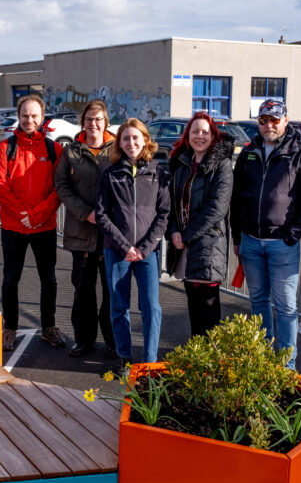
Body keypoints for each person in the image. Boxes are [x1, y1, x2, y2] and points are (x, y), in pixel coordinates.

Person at [230, 98, 301, 369]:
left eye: (274, 119)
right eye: (263, 120)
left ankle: (286, 365)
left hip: (282, 244)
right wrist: (238, 237)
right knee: (258, 301)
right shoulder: (248, 152)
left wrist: (292, 234)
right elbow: (237, 199)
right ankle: (263, 356)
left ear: (285, 119)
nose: (269, 125)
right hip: (251, 242)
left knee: (285, 307)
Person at [0, 95, 65, 351]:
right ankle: (9, 328)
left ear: (42, 118)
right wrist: (23, 214)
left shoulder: (55, 150)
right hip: (13, 227)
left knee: (48, 279)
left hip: (44, 226)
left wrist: (38, 214)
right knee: (11, 278)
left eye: (34, 116)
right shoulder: (4, 149)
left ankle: (49, 327)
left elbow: (59, 188)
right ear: (18, 117)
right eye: (25, 115)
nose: (29, 120)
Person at [95, 118, 170, 363]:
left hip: (148, 253)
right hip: (117, 252)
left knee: (151, 308)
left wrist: (145, 248)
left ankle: (149, 362)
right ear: (119, 143)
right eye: (125, 138)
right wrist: (125, 247)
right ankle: (124, 357)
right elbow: (102, 215)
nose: (131, 142)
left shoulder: (158, 173)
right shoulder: (110, 173)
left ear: (145, 140)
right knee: (118, 308)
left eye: (135, 137)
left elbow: (164, 213)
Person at [53, 100, 117, 358]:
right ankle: (84, 340)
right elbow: (61, 185)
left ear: (106, 122)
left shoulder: (116, 150)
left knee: (112, 291)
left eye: (98, 119)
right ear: (83, 122)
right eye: (89, 119)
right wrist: (84, 212)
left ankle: (113, 341)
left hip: (112, 235)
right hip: (81, 232)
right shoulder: (71, 152)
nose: (94, 123)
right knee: (83, 291)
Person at [167, 111, 235, 337]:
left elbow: (217, 208)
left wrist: (185, 235)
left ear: (213, 135)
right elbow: (172, 204)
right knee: (194, 306)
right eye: (195, 131)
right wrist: (174, 231)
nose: (200, 136)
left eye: (205, 132)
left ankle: (209, 362)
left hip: (208, 244)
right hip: (184, 245)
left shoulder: (222, 165)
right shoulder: (181, 163)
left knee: (208, 310)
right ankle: (197, 358)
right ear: (188, 135)